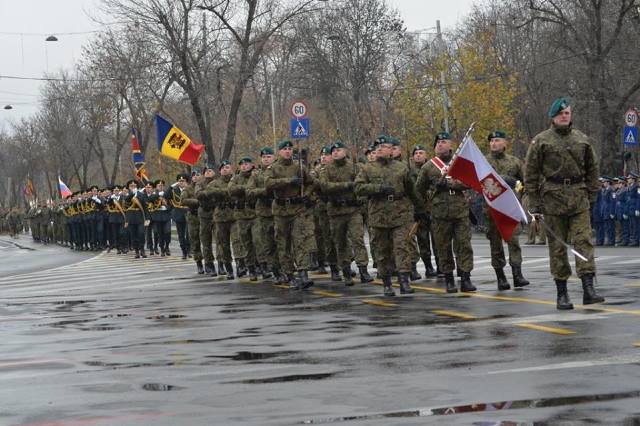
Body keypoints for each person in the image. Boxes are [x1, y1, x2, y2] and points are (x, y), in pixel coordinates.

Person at [524, 97, 604, 310]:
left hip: (579, 197)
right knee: (558, 247)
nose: (564, 116)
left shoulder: (582, 139)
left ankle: (589, 289)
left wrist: (593, 194)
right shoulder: (541, 141)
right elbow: (530, 173)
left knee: (584, 242)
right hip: (553, 198)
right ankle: (562, 293)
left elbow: (593, 168)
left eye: (567, 113)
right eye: (560, 113)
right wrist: (534, 202)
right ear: (553, 117)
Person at [355, 135, 423, 296]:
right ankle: (387, 283)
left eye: (383, 146)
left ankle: (404, 280)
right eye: (377, 146)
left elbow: (411, 190)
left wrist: (420, 209)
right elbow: (358, 188)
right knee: (382, 251)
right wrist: (378, 188)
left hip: (400, 214)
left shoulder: (401, 168)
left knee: (402, 247)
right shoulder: (367, 168)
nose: (379, 148)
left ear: (391, 150)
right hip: (379, 215)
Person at [416, 132, 476, 293]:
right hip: (439, 213)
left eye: (443, 142)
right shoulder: (429, 166)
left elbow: (470, 182)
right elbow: (418, 190)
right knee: (443, 247)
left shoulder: (460, 163)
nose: (440, 145)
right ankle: (449, 278)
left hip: (460, 211)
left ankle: (465, 278)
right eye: (437, 143)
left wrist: (450, 184)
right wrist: (424, 207)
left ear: (451, 145)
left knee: (463, 245)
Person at [319, 140, 373, 286]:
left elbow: (360, 185)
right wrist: (346, 185)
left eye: (339, 150)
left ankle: (363, 270)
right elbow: (325, 186)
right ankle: (346, 271)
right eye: (333, 151)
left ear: (345, 151)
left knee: (357, 239)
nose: (336, 152)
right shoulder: (326, 170)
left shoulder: (354, 167)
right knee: (340, 242)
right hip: (336, 212)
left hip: (352, 210)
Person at [265, 140, 316, 290]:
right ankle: (289, 274)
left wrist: (305, 195)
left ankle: (303, 273)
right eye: (284, 149)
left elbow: (312, 183)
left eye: (289, 149)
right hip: (281, 211)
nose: (287, 151)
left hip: (297, 209)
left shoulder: (299, 167)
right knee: (283, 244)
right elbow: (268, 184)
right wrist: (289, 181)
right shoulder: (273, 168)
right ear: (279, 152)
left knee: (300, 241)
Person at [484, 130, 530, 290]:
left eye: (497, 140)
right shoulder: (483, 162)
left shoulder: (514, 162)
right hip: (492, 210)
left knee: (514, 242)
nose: (494, 143)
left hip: (510, 209)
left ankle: (518, 274)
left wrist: (515, 185)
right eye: (491, 141)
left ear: (504, 143)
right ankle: (501, 277)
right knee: (495, 245)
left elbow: (524, 183)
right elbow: (478, 183)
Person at [246, 147, 278, 280]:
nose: (266, 159)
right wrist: (264, 191)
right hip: (264, 213)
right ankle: (274, 269)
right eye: (264, 157)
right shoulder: (256, 175)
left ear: (274, 157)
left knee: (282, 242)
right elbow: (249, 191)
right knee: (267, 243)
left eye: (269, 156)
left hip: (280, 211)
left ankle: (286, 269)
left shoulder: (278, 170)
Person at [229, 157, 259, 280]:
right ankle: (251, 268)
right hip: (241, 216)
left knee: (258, 241)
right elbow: (231, 189)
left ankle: (261, 265)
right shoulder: (236, 178)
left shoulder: (257, 175)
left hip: (256, 214)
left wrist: (246, 190)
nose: (244, 166)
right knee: (246, 243)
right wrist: (246, 189)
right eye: (242, 164)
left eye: (247, 164)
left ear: (251, 165)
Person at [410, 144, 437, 277]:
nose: (418, 155)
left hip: (433, 208)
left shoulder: (433, 168)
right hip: (419, 210)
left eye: (421, 152)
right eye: (416, 153)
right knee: (423, 240)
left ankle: (441, 266)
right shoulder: (409, 171)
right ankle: (428, 266)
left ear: (426, 155)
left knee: (437, 240)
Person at [181, 169, 205, 274]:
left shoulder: (205, 186)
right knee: (195, 241)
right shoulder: (188, 189)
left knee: (207, 241)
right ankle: (199, 263)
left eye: (197, 174)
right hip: (193, 217)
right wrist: (197, 202)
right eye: (193, 175)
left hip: (205, 216)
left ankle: (209, 263)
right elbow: (183, 201)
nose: (195, 177)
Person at [167, 173, 191, 259]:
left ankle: (189, 250)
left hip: (189, 213)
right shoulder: (174, 190)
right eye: (179, 181)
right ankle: (183, 251)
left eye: (183, 181)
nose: (181, 182)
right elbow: (166, 195)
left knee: (189, 234)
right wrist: (172, 186)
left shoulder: (190, 189)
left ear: (186, 182)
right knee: (181, 235)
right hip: (178, 214)